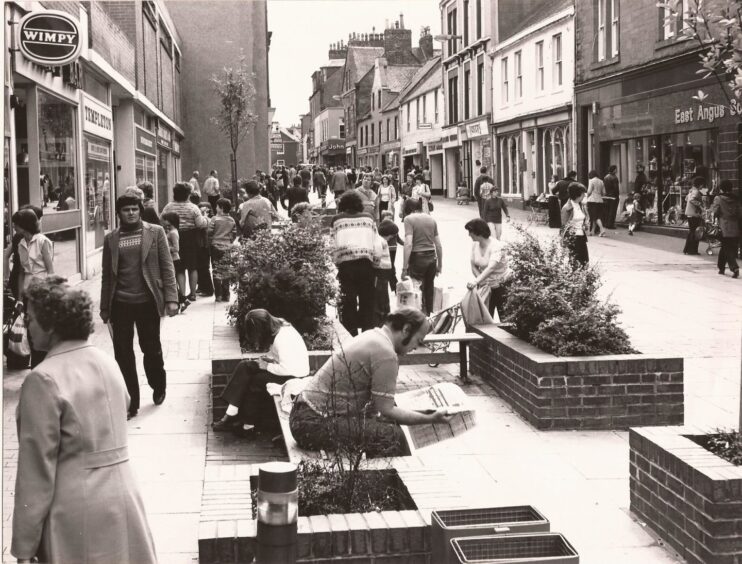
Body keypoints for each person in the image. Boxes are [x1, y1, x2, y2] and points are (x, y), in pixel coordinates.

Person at [12, 277, 157, 564]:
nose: (26, 325)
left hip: (76, 507)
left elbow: (35, 472)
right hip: (124, 496)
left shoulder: (42, 379)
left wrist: (24, 547)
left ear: (51, 323)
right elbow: (124, 403)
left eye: (30, 318)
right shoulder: (107, 361)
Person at [289, 308, 452, 457]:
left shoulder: (374, 336)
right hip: (311, 424)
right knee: (393, 436)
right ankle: (393, 486)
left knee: (382, 426)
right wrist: (431, 419)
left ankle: (383, 481)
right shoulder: (386, 353)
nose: (417, 347)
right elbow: (386, 410)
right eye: (419, 340)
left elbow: (380, 408)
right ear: (406, 329)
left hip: (303, 415)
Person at [101, 193, 179, 419]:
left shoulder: (155, 232)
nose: (131, 213)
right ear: (119, 213)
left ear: (140, 210)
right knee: (123, 353)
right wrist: (105, 307)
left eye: (135, 209)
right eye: (126, 210)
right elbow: (108, 275)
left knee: (150, 347)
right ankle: (131, 402)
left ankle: (158, 385)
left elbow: (167, 266)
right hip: (121, 303)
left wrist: (172, 298)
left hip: (147, 301)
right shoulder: (111, 238)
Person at [213, 309, 310, 434]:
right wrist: (268, 358)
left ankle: (244, 423)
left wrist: (266, 366)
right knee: (245, 366)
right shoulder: (280, 327)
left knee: (255, 381)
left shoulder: (283, 339)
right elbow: (281, 356)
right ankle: (234, 414)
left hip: (293, 376)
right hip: (284, 369)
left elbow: (289, 368)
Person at [332, 190, 377, 335]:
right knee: (367, 301)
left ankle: (351, 334)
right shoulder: (369, 219)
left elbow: (332, 245)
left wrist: (335, 263)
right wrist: (375, 264)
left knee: (348, 301)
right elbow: (376, 244)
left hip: (346, 267)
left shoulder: (337, 220)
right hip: (366, 265)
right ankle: (367, 333)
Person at [161, 182, 208, 301]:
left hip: (174, 237)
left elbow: (161, 220)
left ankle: (182, 293)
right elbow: (200, 224)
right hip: (191, 238)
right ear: (188, 195)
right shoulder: (193, 207)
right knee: (193, 267)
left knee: (180, 268)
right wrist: (206, 219)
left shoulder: (168, 207)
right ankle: (192, 293)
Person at [402, 198, 442, 314]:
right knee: (429, 289)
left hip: (417, 258)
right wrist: (440, 265)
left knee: (415, 290)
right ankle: (429, 316)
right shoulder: (431, 219)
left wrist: (404, 268)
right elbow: (438, 245)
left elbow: (408, 244)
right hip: (431, 257)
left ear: (408, 209)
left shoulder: (408, 219)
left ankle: (417, 317)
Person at [465, 219, 511, 319]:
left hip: (501, 286)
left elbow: (491, 268)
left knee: (505, 318)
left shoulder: (497, 246)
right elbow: (473, 265)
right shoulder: (475, 244)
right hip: (485, 287)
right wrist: (482, 282)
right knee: (484, 319)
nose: (469, 235)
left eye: (470, 232)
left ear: (478, 233)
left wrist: (476, 281)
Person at [3, 205, 43, 300]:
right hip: (24, 281)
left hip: (18, 279)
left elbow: (6, 256)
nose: (39, 221)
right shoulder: (25, 238)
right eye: (38, 219)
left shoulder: (19, 236)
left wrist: (7, 277)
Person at [209, 198, 238, 301]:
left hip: (215, 247)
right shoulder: (231, 220)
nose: (215, 208)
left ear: (221, 208)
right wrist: (229, 242)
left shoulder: (214, 219)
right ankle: (227, 294)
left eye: (217, 206)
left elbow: (209, 232)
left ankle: (218, 295)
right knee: (226, 269)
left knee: (216, 270)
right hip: (227, 247)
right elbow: (234, 234)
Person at [160, 211, 189, 312]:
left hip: (174, 259)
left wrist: (165, 248)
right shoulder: (171, 231)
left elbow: (176, 248)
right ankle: (183, 301)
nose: (163, 222)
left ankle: (183, 300)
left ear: (170, 221)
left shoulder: (173, 233)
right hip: (172, 259)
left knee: (172, 282)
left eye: (165, 220)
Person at [712, 179, 741, 278]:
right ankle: (721, 268)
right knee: (727, 246)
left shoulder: (718, 198)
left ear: (721, 188)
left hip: (724, 226)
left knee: (727, 247)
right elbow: (740, 213)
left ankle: (734, 268)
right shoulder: (736, 198)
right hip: (735, 227)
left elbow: (715, 212)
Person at [560, 183, 590, 266]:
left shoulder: (581, 205)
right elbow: (564, 226)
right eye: (583, 193)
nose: (584, 195)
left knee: (585, 262)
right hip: (573, 238)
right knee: (575, 263)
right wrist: (565, 242)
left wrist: (586, 224)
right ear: (578, 194)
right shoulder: (566, 208)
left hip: (582, 237)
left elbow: (584, 218)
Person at [378, 210, 402, 292]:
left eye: (391, 217)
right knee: (390, 267)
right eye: (388, 217)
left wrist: (406, 244)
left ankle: (394, 286)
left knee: (391, 266)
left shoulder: (393, 227)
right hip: (386, 249)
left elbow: (398, 239)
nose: (390, 219)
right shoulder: (383, 227)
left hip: (393, 249)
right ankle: (394, 286)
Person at [683, 182, 704, 255]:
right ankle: (692, 250)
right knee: (695, 232)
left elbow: (686, 199)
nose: (703, 186)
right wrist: (699, 204)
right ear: (699, 184)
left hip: (689, 214)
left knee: (692, 231)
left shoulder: (691, 191)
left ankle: (687, 249)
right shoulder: (696, 191)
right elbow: (691, 200)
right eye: (702, 184)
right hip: (694, 214)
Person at [586, 170, 607, 236]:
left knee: (593, 217)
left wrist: (587, 197)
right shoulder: (601, 181)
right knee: (597, 216)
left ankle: (602, 229)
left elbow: (589, 191)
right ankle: (593, 231)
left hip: (592, 200)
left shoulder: (591, 181)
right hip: (600, 200)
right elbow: (604, 193)